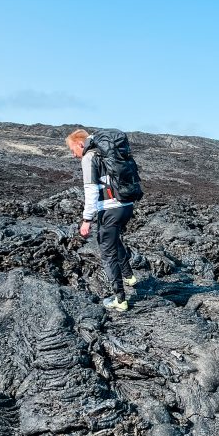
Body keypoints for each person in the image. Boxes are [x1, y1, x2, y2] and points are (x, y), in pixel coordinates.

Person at [65, 128, 139, 312]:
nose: (73, 155)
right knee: (115, 241)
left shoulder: (89, 157)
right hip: (126, 206)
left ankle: (120, 300)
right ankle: (129, 276)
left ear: (80, 144)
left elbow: (90, 191)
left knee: (107, 254)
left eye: (73, 150)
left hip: (109, 210)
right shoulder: (109, 153)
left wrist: (86, 219)